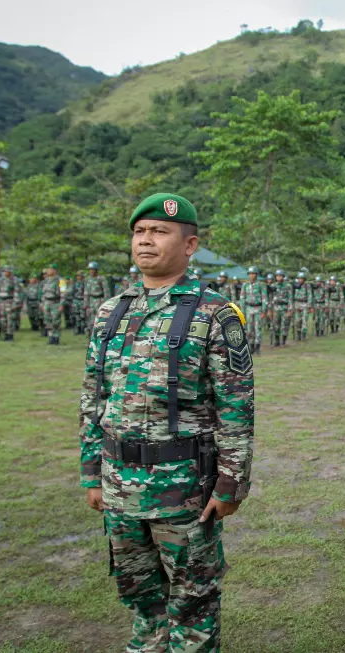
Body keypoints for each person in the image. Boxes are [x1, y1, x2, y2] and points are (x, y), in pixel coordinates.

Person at [80, 192, 254, 653]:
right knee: (140, 599)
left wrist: (230, 484)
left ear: (190, 245)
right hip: (119, 485)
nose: (146, 241)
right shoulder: (111, 311)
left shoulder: (215, 313)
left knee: (192, 605)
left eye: (159, 232)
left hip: (183, 491)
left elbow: (236, 408)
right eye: (139, 232)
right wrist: (90, 472)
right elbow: (93, 397)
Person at [240, 267, 266, 354]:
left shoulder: (261, 285)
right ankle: (251, 346)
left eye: (253, 273)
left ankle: (257, 346)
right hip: (248, 309)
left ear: (256, 275)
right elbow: (242, 299)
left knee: (257, 328)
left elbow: (264, 298)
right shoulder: (245, 285)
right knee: (249, 329)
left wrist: (264, 311)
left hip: (258, 308)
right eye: (250, 273)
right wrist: (242, 312)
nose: (252, 275)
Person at [0, 266, 22, 340]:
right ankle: (5, 334)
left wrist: (15, 304)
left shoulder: (14, 281)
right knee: (2, 320)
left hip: (10, 302)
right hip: (2, 302)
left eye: (6, 271)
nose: (4, 273)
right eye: (3, 271)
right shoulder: (0, 281)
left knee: (10, 320)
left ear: (10, 272)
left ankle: (10, 335)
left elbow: (17, 293)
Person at [84, 262, 111, 334]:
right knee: (90, 320)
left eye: (93, 269)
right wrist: (86, 304)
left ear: (96, 270)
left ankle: (101, 334)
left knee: (100, 319)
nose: (91, 271)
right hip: (91, 301)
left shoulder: (101, 279)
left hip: (100, 300)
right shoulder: (88, 279)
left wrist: (106, 303)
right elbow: (86, 292)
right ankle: (91, 335)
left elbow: (106, 291)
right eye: (90, 270)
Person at [41, 264, 64, 345]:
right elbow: (43, 293)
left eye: (50, 269)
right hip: (47, 302)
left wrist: (61, 304)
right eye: (48, 269)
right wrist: (43, 303)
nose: (48, 271)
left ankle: (56, 337)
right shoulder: (46, 280)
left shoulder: (61, 280)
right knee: (48, 321)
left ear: (54, 270)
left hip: (56, 302)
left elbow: (64, 293)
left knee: (55, 321)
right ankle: (50, 337)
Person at [269, 269, 292, 347]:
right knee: (276, 324)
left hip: (285, 307)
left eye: (280, 276)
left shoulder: (288, 286)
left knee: (285, 324)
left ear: (283, 277)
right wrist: (270, 309)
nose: (279, 278)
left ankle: (284, 341)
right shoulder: (273, 286)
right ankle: (277, 340)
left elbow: (290, 298)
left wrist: (290, 309)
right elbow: (270, 298)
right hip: (276, 307)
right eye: (277, 276)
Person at [291, 271, 312, 342]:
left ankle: (304, 335)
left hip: (305, 304)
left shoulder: (307, 286)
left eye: (302, 279)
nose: (300, 280)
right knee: (297, 320)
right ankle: (298, 334)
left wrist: (309, 306)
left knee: (304, 320)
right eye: (299, 278)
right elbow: (292, 295)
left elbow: (309, 296)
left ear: (304, 279)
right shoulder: (295, 285)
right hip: (297, 303)